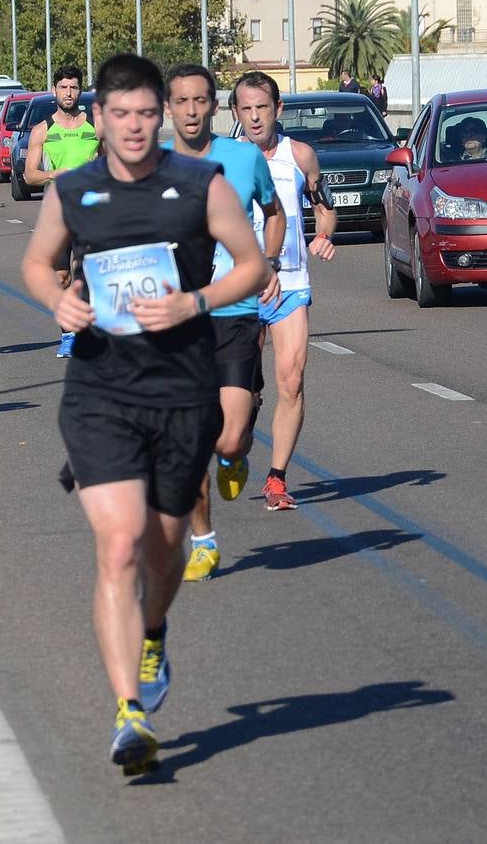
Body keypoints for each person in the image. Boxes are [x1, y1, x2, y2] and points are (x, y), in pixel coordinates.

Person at [21, 53, 268, 774]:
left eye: (145, 114)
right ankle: (129, 712)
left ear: (161, 117)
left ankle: (153, 628)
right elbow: (38, 263)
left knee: (163, 549)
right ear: (98, 117)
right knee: (120, 545)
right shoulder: (73, 190)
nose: (134, 127)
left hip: (181, 393)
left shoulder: (199, 185)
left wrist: (196, 301)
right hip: (100, 392)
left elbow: (250, 263)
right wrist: (55, 299)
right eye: (120, 115)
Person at [163, 64, 285, 582]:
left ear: (215, 107)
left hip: (234, 312)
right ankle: (204, 541)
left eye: (200, 101)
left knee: (228, 440)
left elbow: (274, 212)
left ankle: (237, 455)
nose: (191, 111)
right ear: (168, 108)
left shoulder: (242, 158)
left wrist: (269, 262)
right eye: (181, 101)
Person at [231, 71, 337, 511]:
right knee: (244, 391)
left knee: (291, 379)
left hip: (290, 282)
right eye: (246, 109)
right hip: (239, 287)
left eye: (262, 108)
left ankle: (276, 479)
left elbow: (323, 205)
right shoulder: (225, 160)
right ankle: (238, 441)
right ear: (235, 113)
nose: (255, 117)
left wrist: (325, 234)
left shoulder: (301, 156)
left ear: (278, 110)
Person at [23, 66, 101, 358]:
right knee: (61, 278)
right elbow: (30, 175)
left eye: (74, 88)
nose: (69, 93)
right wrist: (57, 173)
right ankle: (67, 333)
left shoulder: (95, 126)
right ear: (54, 90)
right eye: (64, 87)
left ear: (80, 91)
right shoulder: (43, 129)